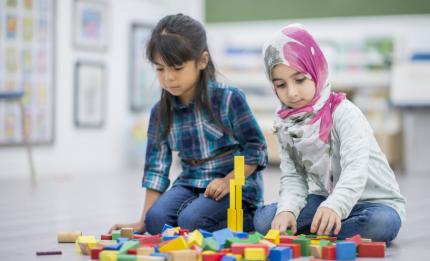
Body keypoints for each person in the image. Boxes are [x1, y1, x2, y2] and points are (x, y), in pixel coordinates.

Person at [110, 14, 268, 234]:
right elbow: (156, 169)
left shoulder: (229, 99)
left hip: (234, 186)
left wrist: (227, 181)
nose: (168, 78)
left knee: (191, 221)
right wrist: (142, 221)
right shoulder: (159, 113)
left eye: (177, 68)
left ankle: (247, 217)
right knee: (155, 222)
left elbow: (256, 150)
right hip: (190, 183)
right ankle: (192, 216)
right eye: (160, 69)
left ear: (202, 61)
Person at [253, 24, 406, 243]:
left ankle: (316, 231)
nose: (292, 93)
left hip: (373, 202)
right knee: (265, 220)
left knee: (382, 223)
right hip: (326, 199)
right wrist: (286, 210)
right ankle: (330, 230)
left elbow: (356, 169)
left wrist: (335, 206)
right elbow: (294, 177)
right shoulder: (286, 123)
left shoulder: (345, 113)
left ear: (316, 70)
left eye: (300, 79)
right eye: (281, 85)